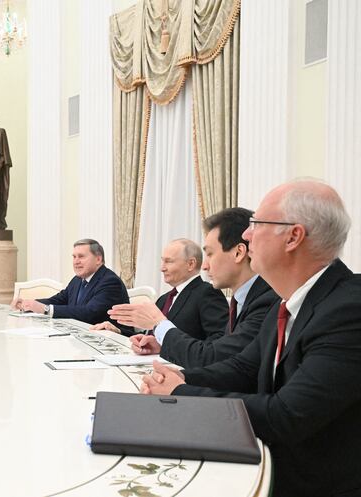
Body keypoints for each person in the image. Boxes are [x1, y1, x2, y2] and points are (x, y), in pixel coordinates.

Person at [140, 180, 361, 497]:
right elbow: (244, 368)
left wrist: (183, 392)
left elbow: (287, 415)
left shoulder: (349, 309)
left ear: (293, 237)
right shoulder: (286, 300)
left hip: (310, 482)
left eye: (257, 224)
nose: (246, 234)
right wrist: (178, 377)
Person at [127, 208, 278, 368]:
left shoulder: (266, 300)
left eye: (210, 254)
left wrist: (159, 324)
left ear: (239, 253)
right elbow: (226, 358)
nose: (205, 266)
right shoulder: (244, 299)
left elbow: (215, 357)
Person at [97, 239, 228, 339]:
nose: (162, 268)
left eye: (169, 261)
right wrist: (118, 332)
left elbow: (217, 343)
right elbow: (151, 335)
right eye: (162, 261)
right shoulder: (164, 298)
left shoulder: (207, 293)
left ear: (191, 264)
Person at [12, 239, 129, 327]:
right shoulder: (78, 279)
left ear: (98, 259)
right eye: (74, 257)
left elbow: (89, 313)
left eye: (81, 257)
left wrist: (46, 309)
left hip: (111, 341)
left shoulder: (110, 282)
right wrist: (29, 303)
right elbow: (59, 300)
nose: (76, 261)